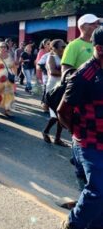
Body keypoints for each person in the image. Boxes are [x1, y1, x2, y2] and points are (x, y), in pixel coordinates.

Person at [57, 27, 103, 229]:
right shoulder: (83, 75)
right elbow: (62, 112)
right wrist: (78, 135)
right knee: (98, 190)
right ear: (100, 49)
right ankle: (72, 224)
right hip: (89, 142)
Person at [42, 39, 68, 147]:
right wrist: (67, 72)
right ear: (55, 48)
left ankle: (57, 138)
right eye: (62, 47)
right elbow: (52, 71)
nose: (64, 48)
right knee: (55, 115)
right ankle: (45, 131)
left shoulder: (64, 57)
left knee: (61, 113)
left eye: (65, 46)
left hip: (61, 88)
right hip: (52, 89)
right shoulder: (51, 57)